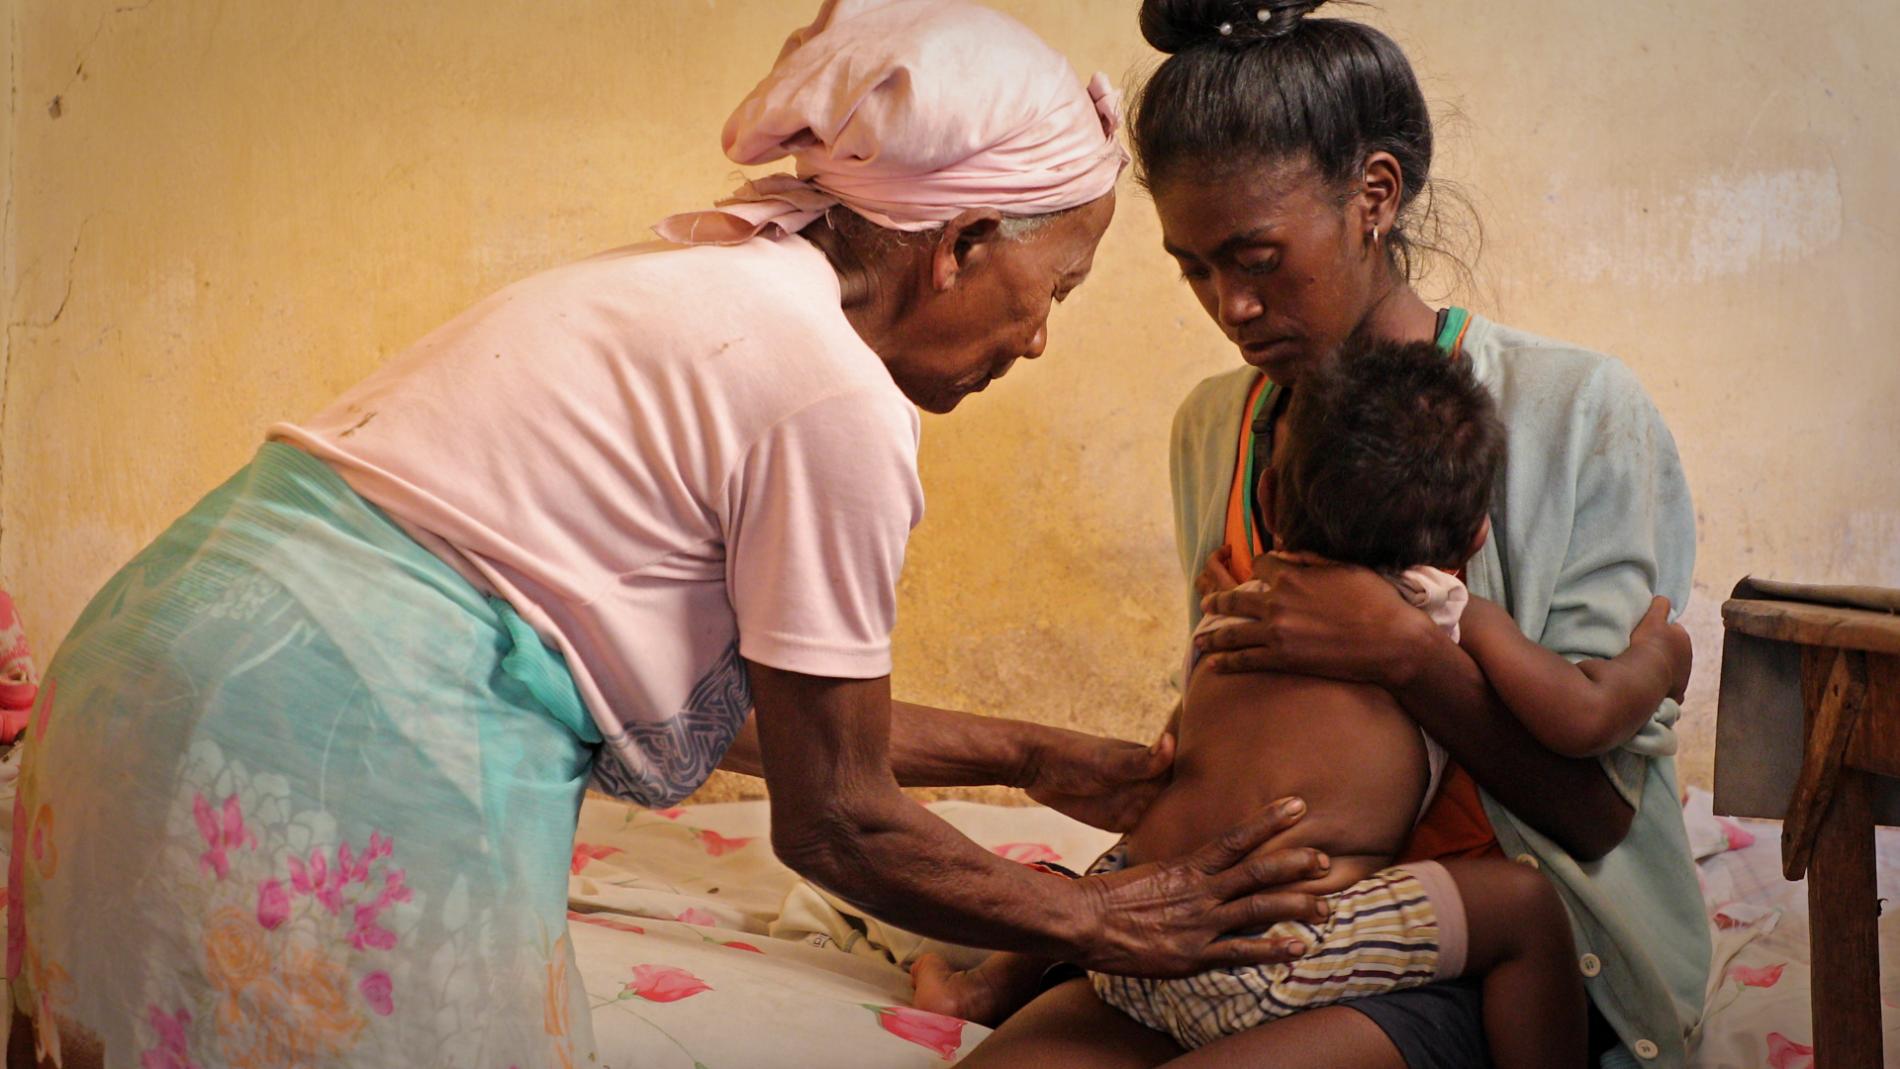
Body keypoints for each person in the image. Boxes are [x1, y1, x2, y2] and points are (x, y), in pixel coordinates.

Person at [7, 3, 1336, 1065]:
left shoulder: (714, 296)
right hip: (321, 736)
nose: (1039, 336)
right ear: (961, 244)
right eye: (1055, 290)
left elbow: (687, 695)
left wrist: (1046, 760)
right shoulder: (827, 392)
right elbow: (840, 823)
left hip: (148, 679)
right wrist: (1102, 917)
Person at [959, 2, 1710, 1067]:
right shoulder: (1217, 426)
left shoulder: (1577, 411)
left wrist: (1403, 653)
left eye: (1257, 257)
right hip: (1246, 930)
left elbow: (1591, 817)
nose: (1231, 304)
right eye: (1195, 268)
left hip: (1472, 954)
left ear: (1374, 196)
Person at [916, 340, 1693, 1069]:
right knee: (1524, 906)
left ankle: (988, 983)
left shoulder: (1239, 604)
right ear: (1475, 535)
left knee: (1142, 841)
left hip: (1129, 939)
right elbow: (1585, 716)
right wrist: (1658, 658)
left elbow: (1182, 755)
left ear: (1267, 495)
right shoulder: (1432, 606)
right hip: (1272, 962)